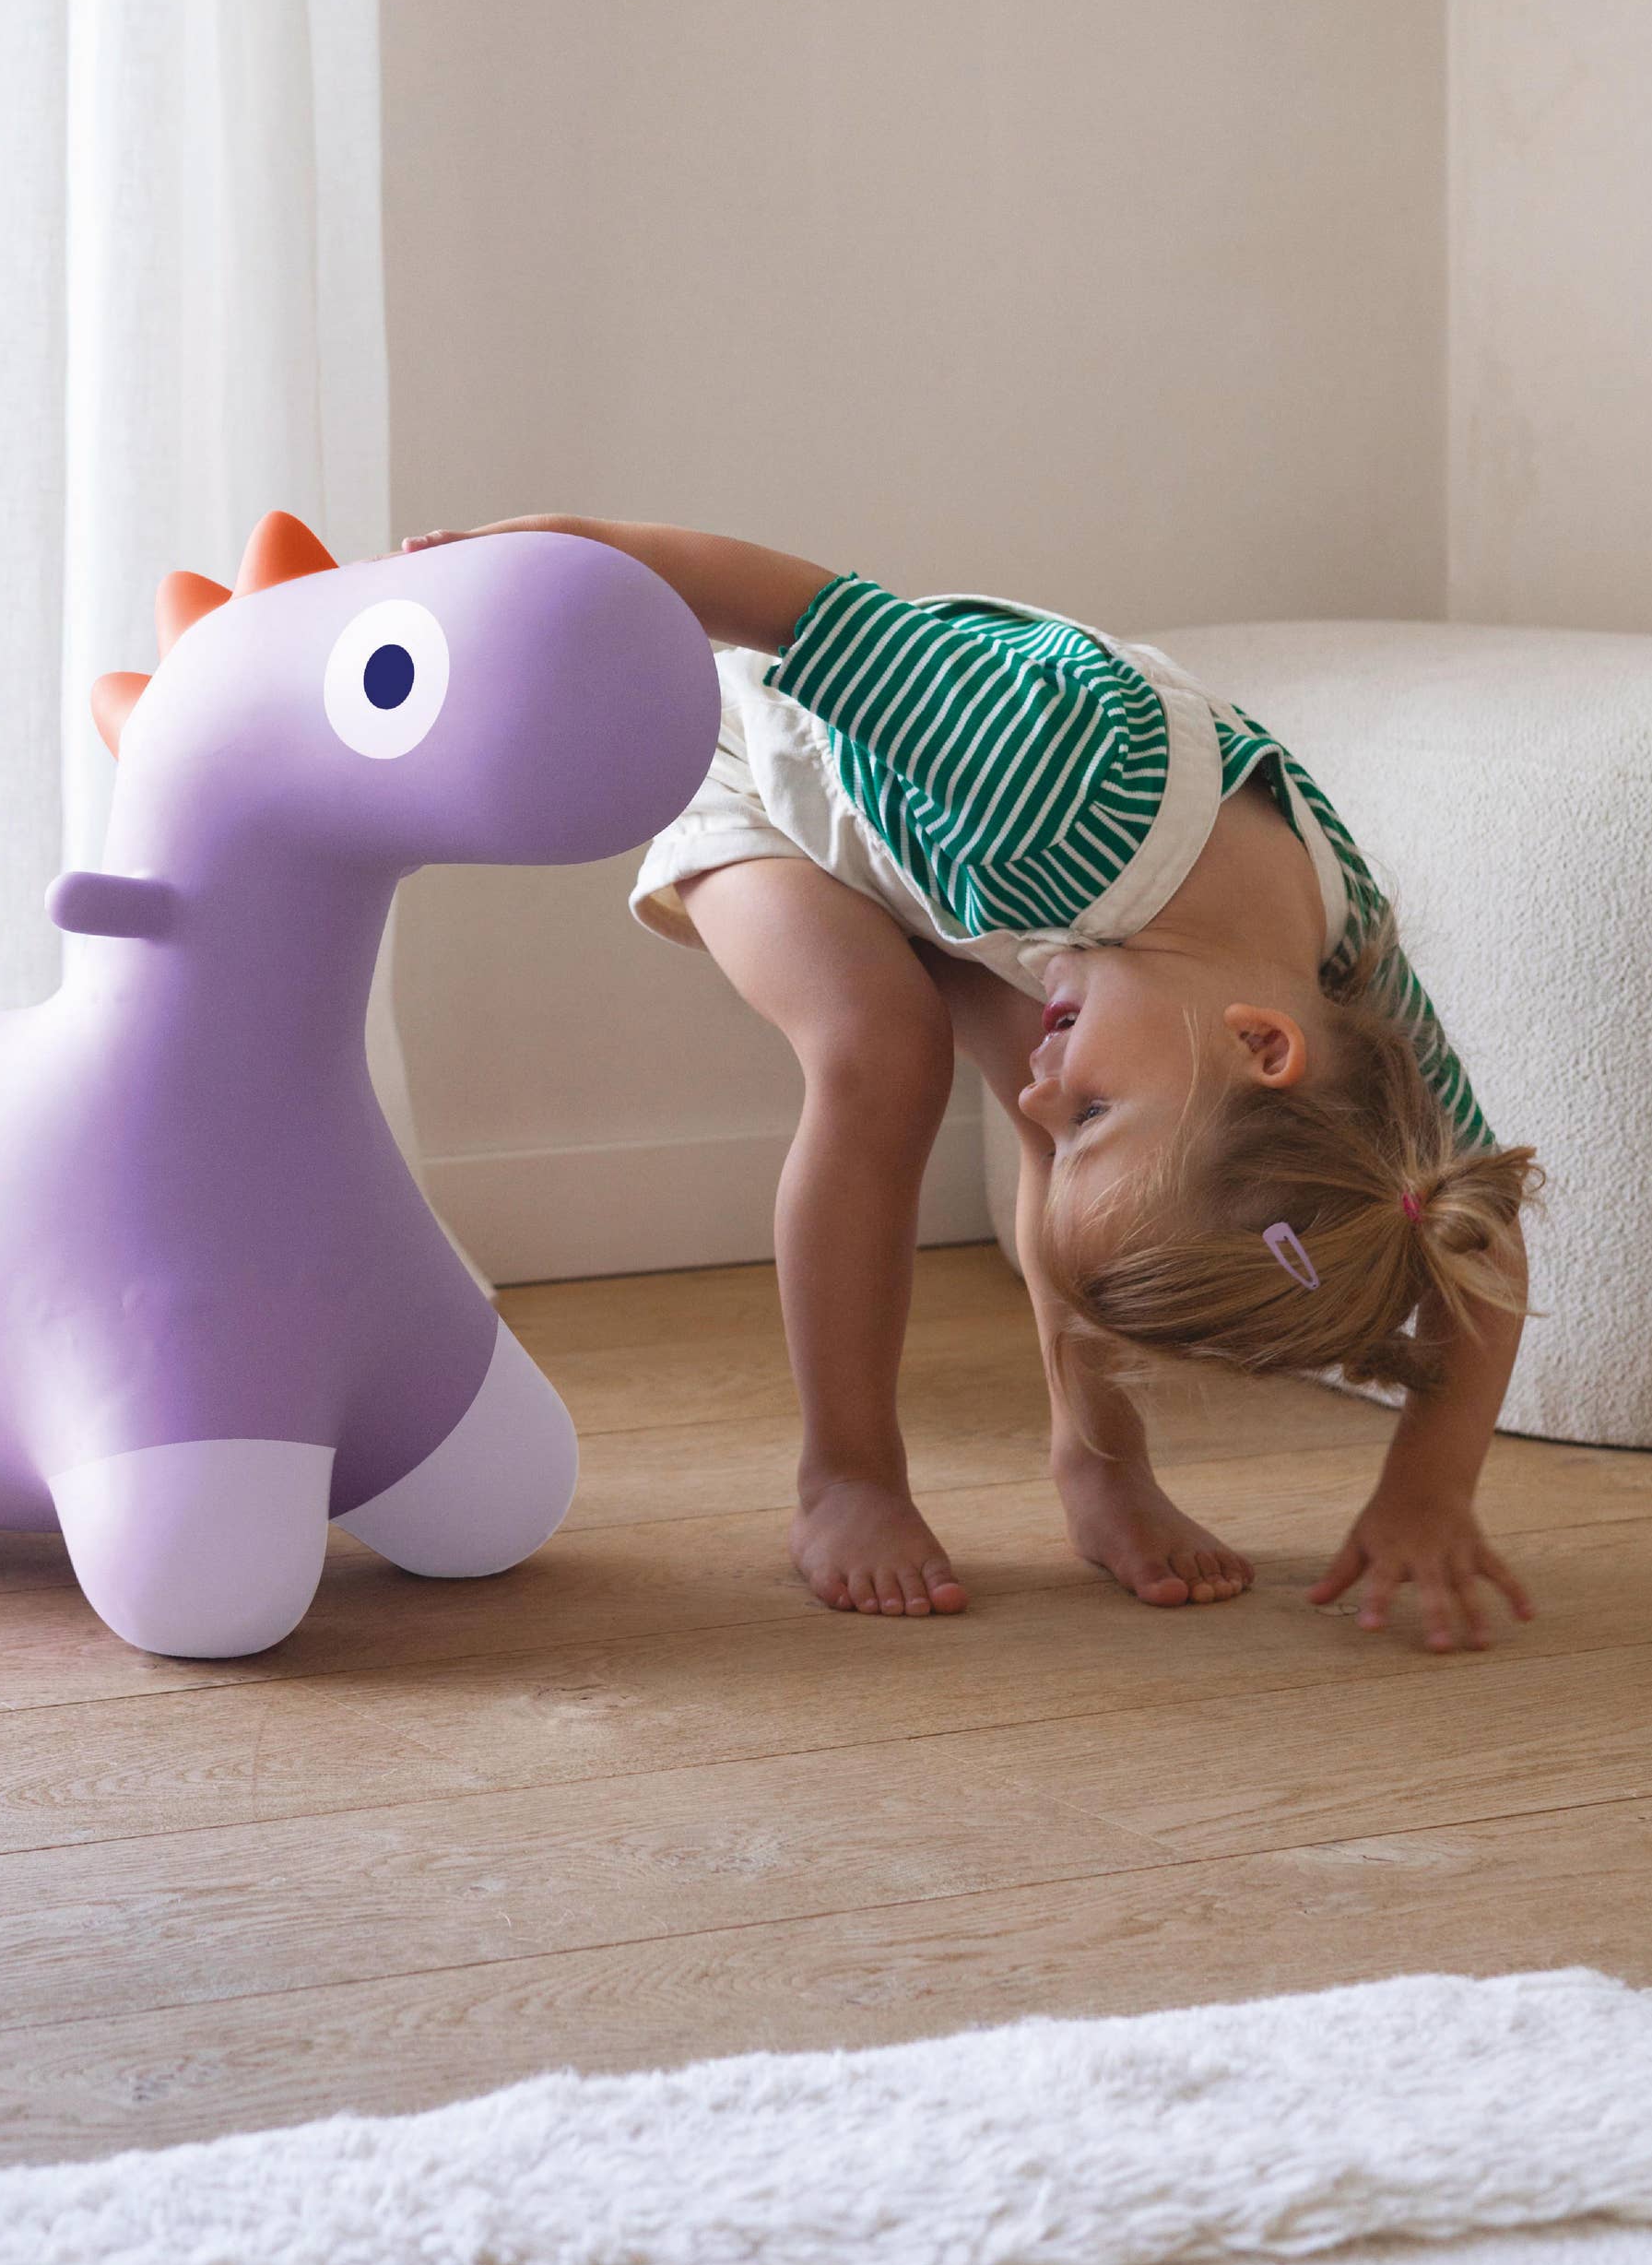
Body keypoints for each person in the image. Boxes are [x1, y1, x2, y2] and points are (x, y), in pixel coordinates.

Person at [407, 515, 1540, 1656]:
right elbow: (774, 599)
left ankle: (1099, 1466)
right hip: (758, 768)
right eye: (1091, 1112)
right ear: (1258, 1044)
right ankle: (845, 1472)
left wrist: (1426, 1486)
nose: (1041, 1103)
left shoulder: (1333, 1009)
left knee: (1039, 1093)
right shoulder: (1048, 764)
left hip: (969, 877)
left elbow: (1474, 1231)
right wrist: (532, 564)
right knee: (882, 1049)